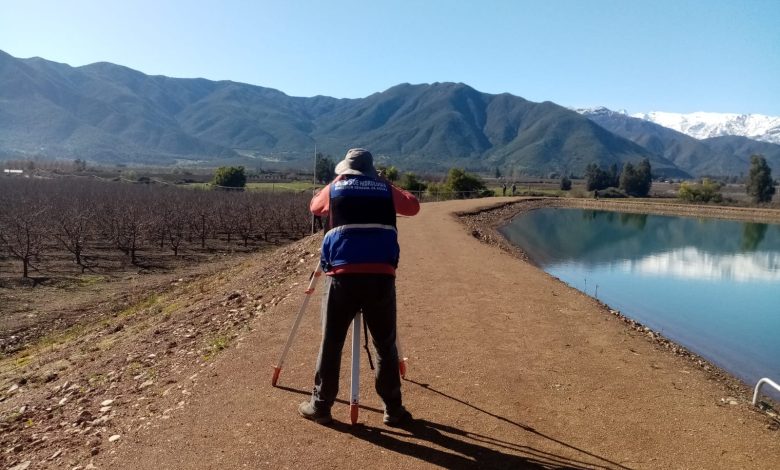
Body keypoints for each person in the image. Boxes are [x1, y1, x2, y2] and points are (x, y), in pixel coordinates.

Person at [299, 148, 420, 426]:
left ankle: (321, 405)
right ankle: (393, 409)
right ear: (371, 170)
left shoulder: (336, 187)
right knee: (384, 344)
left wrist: (336, 182)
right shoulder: (384, 188)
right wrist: (384, 183)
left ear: (346, 169)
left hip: (342, 275)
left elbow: (314, 207)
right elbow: (412, 206)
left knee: (331, 342)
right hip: (381, 276)